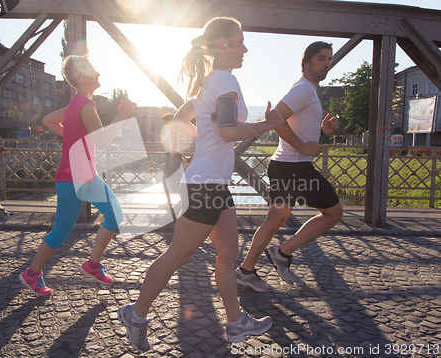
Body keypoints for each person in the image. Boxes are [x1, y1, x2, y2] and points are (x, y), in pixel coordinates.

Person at [117, 17, 285, 352]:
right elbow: (227, 132)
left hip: (213, 184)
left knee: (228, 253)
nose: (245, 48)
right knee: (179, 253)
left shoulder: (210, 82)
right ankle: (135, 315)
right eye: (240, 41)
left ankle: (236, 323)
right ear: (223, 44)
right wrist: (268, 123)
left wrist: (204, 135)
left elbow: (182, 121)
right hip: (205, 186)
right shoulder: (224, 81)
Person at [19, 55, 134, 296]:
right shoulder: (85, 105)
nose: (98, 73)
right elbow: (102, 141)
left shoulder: (75, 103)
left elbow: (48, 120)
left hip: (87, 175)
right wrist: (123, 115)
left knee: (115, 214)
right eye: (93, 70)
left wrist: (72, 139)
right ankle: (32, 274)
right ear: (81, 77)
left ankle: (92, 265)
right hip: (72, 178)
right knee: (62, 230)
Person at [236, 41, 341, 292]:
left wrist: (321, 130)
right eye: (321, 59)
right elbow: (274, 119)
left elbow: (297, 126)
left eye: (329, 59)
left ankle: (245, 271)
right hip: (295, 166)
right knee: (334, 213)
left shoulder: (308, 91)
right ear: (306, 63)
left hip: (284, 165)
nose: (327, 63)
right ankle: (282, 253)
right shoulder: (303, 89)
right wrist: (303, 146)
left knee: (275, 219)